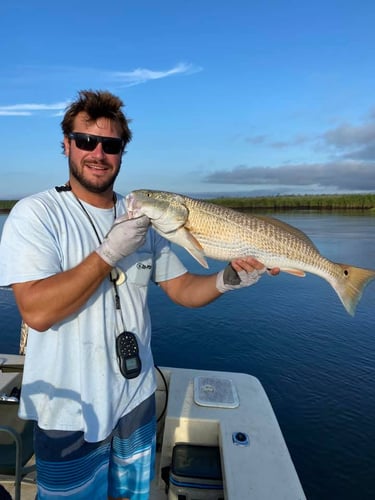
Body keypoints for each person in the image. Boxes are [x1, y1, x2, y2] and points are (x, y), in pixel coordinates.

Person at [0, 90, 278, 500]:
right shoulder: (36, 214)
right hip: (70, 412)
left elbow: (183, 289)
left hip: (136, 401)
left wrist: (227, 279)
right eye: (85, 141)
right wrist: (110, 252)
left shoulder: (147, 217)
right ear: (66, 145)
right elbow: (37, 311)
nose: (98, 153)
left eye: (110, 145)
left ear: (122, 153)